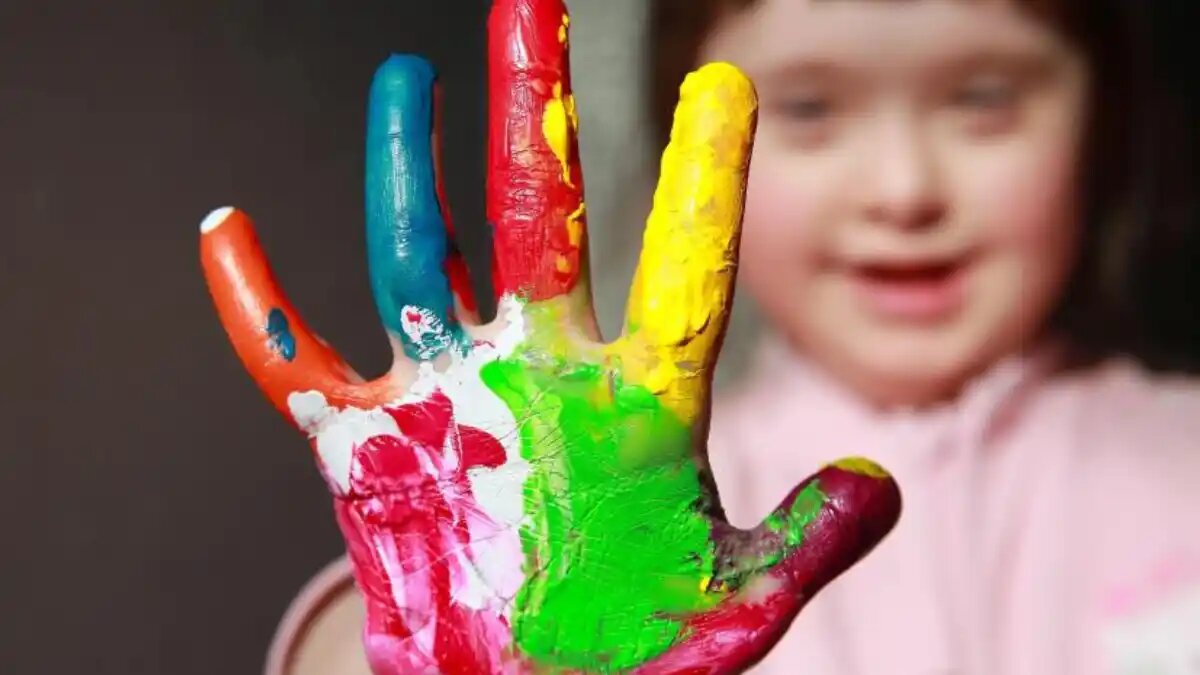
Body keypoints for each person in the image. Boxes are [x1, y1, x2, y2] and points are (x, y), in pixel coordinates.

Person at [268, 0, 1200, 672]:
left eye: (984, 98)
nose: (904, 188)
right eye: (809, 108)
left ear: (1107, 113)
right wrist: (434, 629)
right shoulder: (582, 483)